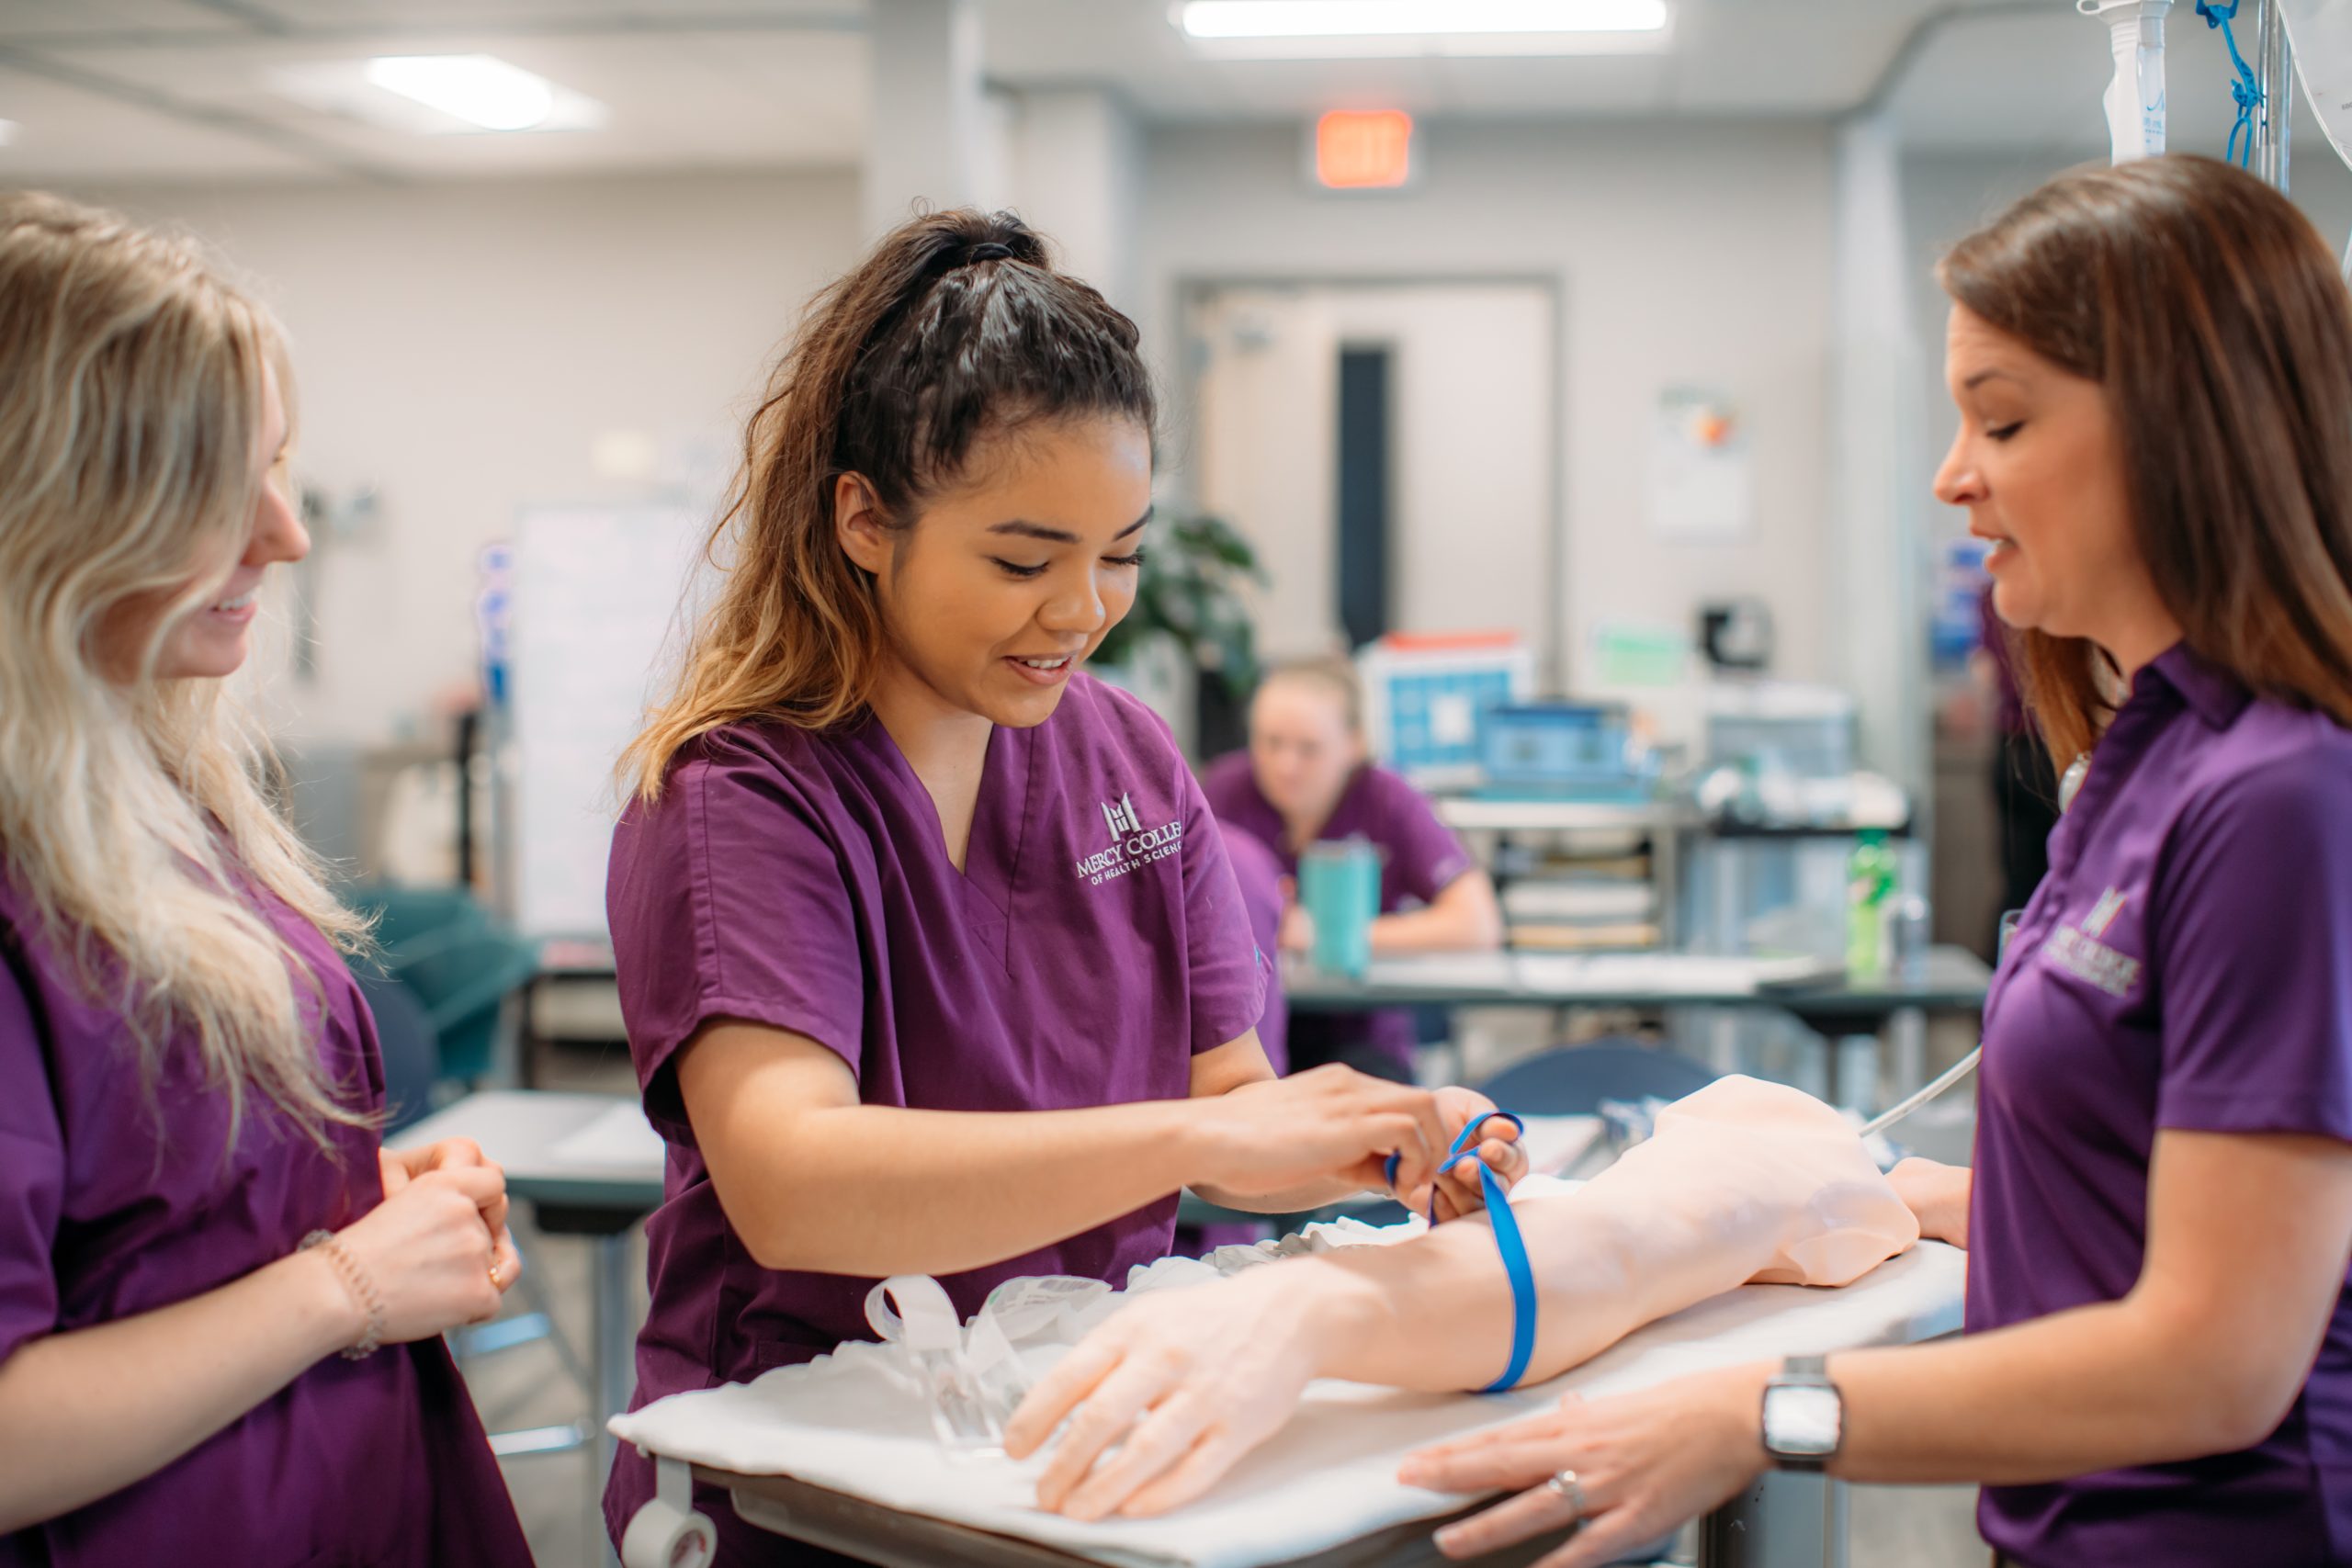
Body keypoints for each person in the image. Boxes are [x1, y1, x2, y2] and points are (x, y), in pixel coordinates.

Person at [1004, 154, 2352, 1568]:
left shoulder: (2285, 799)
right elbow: (2118, 1192)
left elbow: (2216, 1359)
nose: (1954, 477)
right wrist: (1786, 1184)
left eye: (2002, 420)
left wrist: (1762, 1411)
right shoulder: (2139, 769)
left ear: (2185, 427)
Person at [600, 209, 1522, 1561]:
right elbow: (796, 1179)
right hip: (799, 1473)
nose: (1083, 609)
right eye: (1024, 561)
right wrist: (1198, 1143)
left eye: (1122, 554)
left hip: (1056, 1440)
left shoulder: (1129, 757)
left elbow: (1227, 1098)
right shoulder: (742, 795)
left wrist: (1377, 1132)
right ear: (865, 516)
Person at [0, 193, 531, 1567]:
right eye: (219, 488)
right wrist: (342, 1281)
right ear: (55, 507)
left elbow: (143, 1222)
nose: (287, 534)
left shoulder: (155, 794)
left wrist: (351, 1192)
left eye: (281, 468)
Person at [1200, 658, 1504, 1082]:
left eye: (1308, 748)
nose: (1285, 766)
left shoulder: (1390, 800)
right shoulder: (1222, 793)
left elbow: (1477, 923)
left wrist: (1331, 936)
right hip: (1249, 1033)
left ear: (1354, 744)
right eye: (1270, 743)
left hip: (1362, 1035)